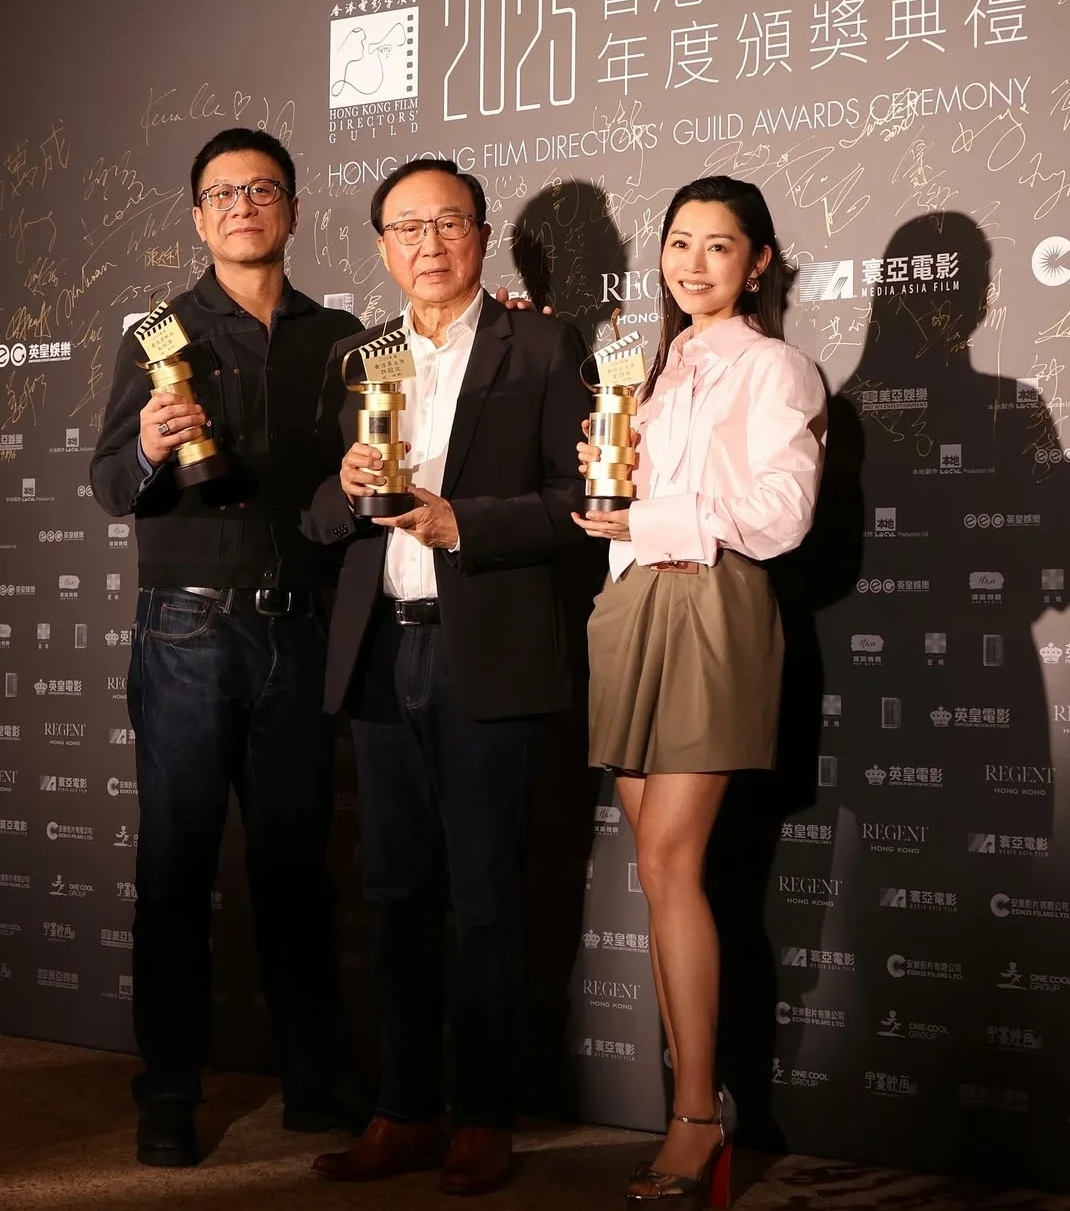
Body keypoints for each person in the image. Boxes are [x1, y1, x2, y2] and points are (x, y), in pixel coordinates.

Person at [303, 158, 590, 1196]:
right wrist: (343, 492)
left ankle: (484, 1116)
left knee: (486, 896)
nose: (429, 245)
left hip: (489, 654)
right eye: (407, 227)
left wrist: (462, 523)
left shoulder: (543, 346)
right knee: (393, 894)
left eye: (449, 223)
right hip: (381, 653)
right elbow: (315, 519)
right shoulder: (355, 357)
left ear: (481, 234)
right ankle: (404, 1109)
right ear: (383, 246)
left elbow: (579, 503)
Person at [90, 128, 373, 1165]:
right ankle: (168, 1092)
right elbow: (109, 484)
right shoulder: (157, 334)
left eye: (261, 190)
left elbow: (362, 471)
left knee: (298, 870)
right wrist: (149, 445)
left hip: (300, 625)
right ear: (198, 218)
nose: (242, 207)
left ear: (292, 207)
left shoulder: (341, 338)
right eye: (222, 194)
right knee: (176, 867)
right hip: (187, 628)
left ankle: (315, 1083)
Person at [573, 176, 827, 1209]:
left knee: (672, 862)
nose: (693, 264)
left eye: (718, 245)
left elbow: (782, 515)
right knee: (657, 869)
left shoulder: (775, 367)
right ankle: (694, 1102)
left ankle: (694, 1117)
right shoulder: (649, 371)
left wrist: (652, 517)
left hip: (713, 602)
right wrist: (614, 505)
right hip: (631, 605)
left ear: (757, 263)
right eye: (678, 243)